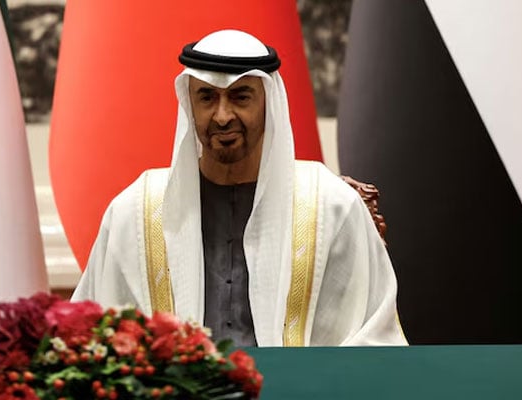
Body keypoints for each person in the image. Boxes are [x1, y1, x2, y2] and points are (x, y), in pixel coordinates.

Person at [72, 29, 407, 347]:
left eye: (240, 96)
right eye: (207, 97)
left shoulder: (330, 206)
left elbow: (374, 338)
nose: (222, 116)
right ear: (190, 104)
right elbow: (91, 337)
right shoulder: (136, 211)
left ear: (268, 102)